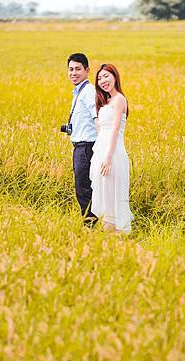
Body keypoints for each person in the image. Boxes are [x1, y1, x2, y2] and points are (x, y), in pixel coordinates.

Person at [90, 64, 133, 233]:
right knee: (105, 193)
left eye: (106, 76)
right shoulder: (105, 102)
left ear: (115, 76)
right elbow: (102, 129)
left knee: (112, 194)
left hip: (112, 153)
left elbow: (115, 130)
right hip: (102, 150)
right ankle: (108, 233)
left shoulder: (120, 99)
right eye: (99, 78)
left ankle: (116, 233)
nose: (102, 81)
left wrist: (108, 157)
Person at [65, 53, 98, 225]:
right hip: (81, 147)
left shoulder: (88, 92)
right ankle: (92, 224)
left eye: (78, 69)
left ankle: (90, 226)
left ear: (87, 70)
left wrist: (102, 145)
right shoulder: (79, 91)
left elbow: (96, 117)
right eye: (71, 69)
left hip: (86, 148)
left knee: (83, 189)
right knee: (84, 188)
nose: (73, 73)